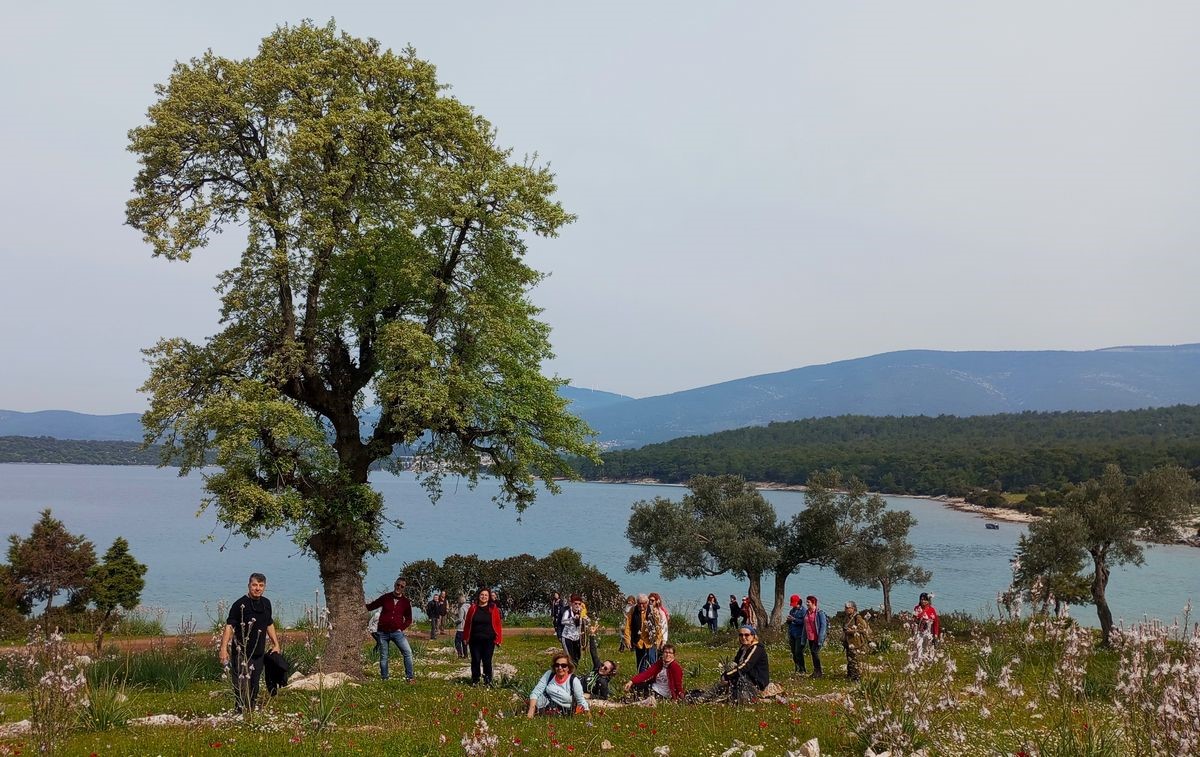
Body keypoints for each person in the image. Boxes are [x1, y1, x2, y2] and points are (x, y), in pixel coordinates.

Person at [219, 572, 281, 712]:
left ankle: (251, 711)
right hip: (241, 653)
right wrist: (223, 648)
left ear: (264, 587)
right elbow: (230, 626)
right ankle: (240, 711)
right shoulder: (239, 604)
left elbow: (269, 624)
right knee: (241, 685)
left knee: (254, 684)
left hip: (258, 653)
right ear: (249, 586)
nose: (257, 588)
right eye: (254, 585)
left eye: (261, 585)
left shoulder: (266, 603)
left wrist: (276, 643)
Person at [365, 577, 415, 682]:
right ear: (394, 584)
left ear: (404, 588)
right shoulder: (386, 597)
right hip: (382, 632)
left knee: (408, 652)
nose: (399, 587)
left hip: (397, 632)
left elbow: (409, 619)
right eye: (398, 585)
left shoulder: (406, 602)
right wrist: (358, 605)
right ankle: (384, 678)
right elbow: (371, 606)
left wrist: (401, 628)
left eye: (402, 586)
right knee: (384, 656)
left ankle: (410, 677)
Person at [526, 652, 589, 717]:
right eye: (557, 665)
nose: (560, 668)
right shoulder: (549, 674)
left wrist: (589, 717)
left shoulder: (574, 680)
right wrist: (531, 711)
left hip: (564, 712)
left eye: (563, 665)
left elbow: (581, 700)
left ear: (568, 668)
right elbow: (536, 692)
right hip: (546, 707)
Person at [462, 587, 503, 685]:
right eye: (482, 595)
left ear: (489, 597)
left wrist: (498, 639)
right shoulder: (473, 608)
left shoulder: (493, 608)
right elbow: (467, 623)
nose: (484, 597)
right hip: (474, 639)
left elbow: (497, 624)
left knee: (487, 660)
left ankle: (487, 680)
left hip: (489, 639)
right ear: (478, 596)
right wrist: (465, 637)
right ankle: (475, 680)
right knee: (475, 660)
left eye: (486, 595)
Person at [722, 624, 770, 703]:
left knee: (735, 675)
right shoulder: (743, 647)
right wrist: (725, 674)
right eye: (741, 635)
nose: (743, 637)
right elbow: (736, 662)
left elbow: (746, 666)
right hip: (746, 675)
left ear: (753, 636)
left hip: (756, 680)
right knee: (731, 666)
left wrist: (727, 676)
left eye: (746, 635)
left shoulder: (757, 648)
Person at [622, 594, 660, 673]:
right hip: (638, 641)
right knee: (640, 663)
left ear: (647, 602)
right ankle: (641, 681)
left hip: (650, 641)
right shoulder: (633, 610)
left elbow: (658, 626)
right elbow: (628, 626)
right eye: (639, 603)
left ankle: (653, 679)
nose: (641, 605)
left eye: (643, 603)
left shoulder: (653, 611)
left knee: (652, 661)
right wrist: (627, 640)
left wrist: (659, 640)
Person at [580, 634, 618, 700]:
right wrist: (592, 635)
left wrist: (590, 696)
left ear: (609, 672)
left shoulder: (603, 682)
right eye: (602, 665)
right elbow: (593, 653)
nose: (602, 668)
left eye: (605, 668)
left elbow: (604, 697)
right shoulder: (597, 667)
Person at [797, 595, 827, 677]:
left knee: (815, 652)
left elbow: (823, 626)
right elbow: (805, 626)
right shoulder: (807, 612)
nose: (806, 603)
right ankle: (816, 671)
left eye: (808, 602)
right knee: (813, 653)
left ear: (813, 603)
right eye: (806, 602)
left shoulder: (820, 613)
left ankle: (819, 671)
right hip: (810, 637)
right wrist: (803, 639)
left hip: (817, 638)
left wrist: (820, 639)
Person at [842, 600, 871, 682]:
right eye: (845, 608)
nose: (846, 609)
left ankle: (856, 677)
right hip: (848, 641)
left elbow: (862, 629)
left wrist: (850, 631)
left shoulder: (857, 617)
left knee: (855, 660)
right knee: (849, 659)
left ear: (853, 608)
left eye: (848, 608)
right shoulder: (847, 618)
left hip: (856, 642)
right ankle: (850, 675)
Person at [912, 592, 940, 661]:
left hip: (928, 633)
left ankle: (926, 661)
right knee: (918, 646)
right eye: (921, 599)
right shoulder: (917, 608)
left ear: (928, 601)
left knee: (927, 648)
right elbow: (914, 620)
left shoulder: (932, 610)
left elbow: (936, 623)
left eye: (925, 600)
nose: (923, 601)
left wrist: (935, 635)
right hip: (919, 632)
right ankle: (918, 660)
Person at [560, 594, 586, 664]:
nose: (577, 605)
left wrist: (585, 619)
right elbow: (563, 621)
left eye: (579, 604)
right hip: (567, 637)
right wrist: (573, 619)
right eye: (575, 603)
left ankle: (574, 671)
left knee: (578, 656)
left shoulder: (582, 612)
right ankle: (569, 672)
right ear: (571, 604)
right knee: (570, 657)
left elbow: (586, 622)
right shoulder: (567, 612)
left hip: (576, 638)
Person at [454, 592, 471, 658]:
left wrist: (455, 621)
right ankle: (466, 655)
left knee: (457, 642)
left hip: (461, 628)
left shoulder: (461, 608)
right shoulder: (468, 606)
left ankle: (460, 654)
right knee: (465, 642)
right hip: (467, 628)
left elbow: (460, 619)